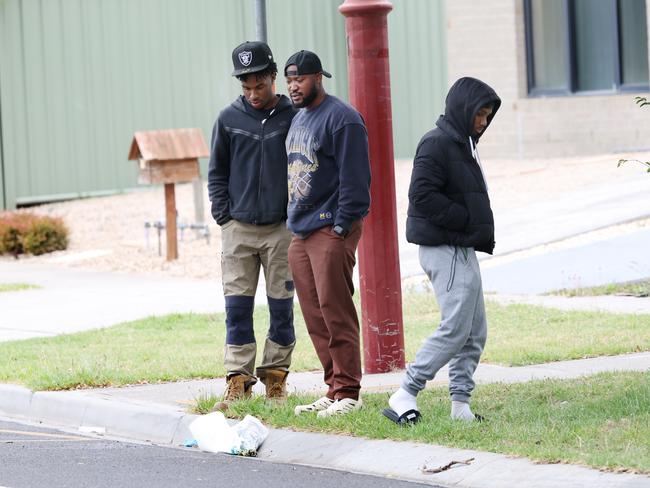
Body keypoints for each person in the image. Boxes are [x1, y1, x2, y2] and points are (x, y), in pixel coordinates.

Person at [384, 77, 501, 425]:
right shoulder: (436, 143)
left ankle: (460, 406)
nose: (482, 122)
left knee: (474, 331)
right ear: (462, 109)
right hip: (446, 249)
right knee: (455, 328)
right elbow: (420, 196)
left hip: (462, 249)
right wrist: (464, 220)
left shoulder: (462, 143)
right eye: (479, 113)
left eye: (487, 115)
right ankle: (405, 391)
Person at [207, 41, 297, 410]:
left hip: (281, 230)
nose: (253, 94)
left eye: (259, 85)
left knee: (281, 309)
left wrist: (294, 217)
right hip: (238, 231)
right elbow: (217, 173)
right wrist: (224, 217)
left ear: (273, 77)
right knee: (237, 310)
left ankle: (275, 379)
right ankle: (238, 381)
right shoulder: (228, 119)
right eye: (246, 87)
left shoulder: (294, 116)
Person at [283, 50, 371, 417]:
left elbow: (357, 180)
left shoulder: (342, 119)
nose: (292, 86)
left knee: (336, 311)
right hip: (301, 231)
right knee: (315, 315)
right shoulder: (300, 118)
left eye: (299, 79)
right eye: (288, 80)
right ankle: (333, 388)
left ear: (318, 77)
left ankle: (349, 391)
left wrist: (340, 227)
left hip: (329, 228)